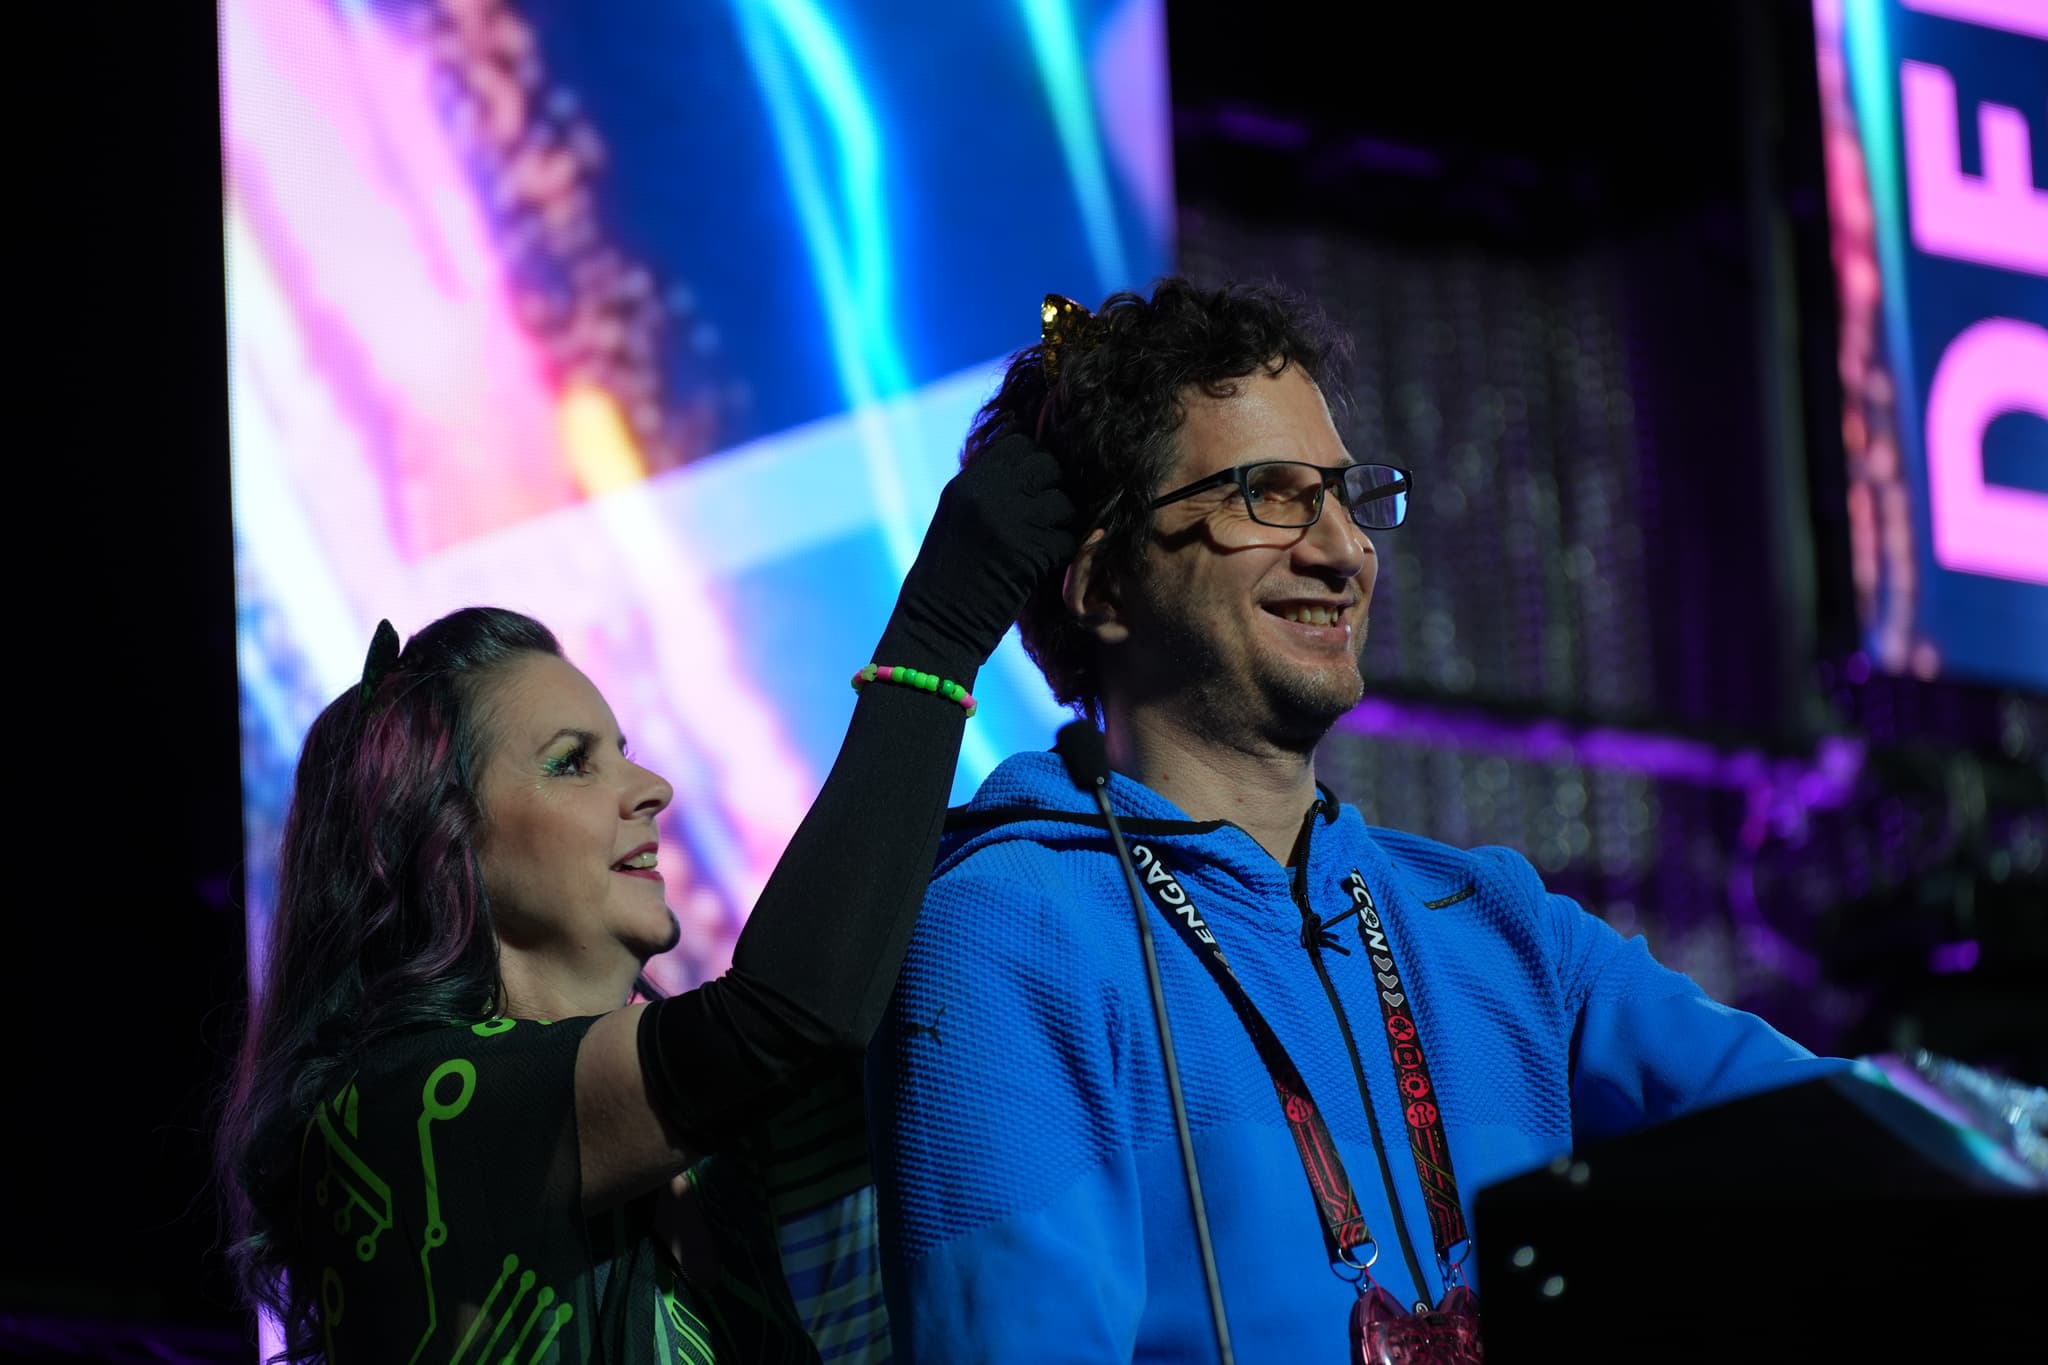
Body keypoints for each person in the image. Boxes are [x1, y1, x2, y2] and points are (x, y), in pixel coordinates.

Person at [864, 280, 1850, 1361]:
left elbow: (1863, 1150)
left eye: (1342, 498)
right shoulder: (1008, 931)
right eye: (1267, 496)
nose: (1343, 553)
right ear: (1101, 585)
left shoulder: (1500, 928)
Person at [215, 434, 1073, 1362]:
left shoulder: (710, 1159)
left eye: (623, 749)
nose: (651, 787)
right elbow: (792, 1014)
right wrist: (939, 631)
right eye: (573, 761)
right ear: (442, 841)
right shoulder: (390, 1114)